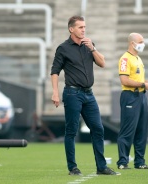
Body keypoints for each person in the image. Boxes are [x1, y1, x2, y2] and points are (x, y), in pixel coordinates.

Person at [51, 15, 120, 176]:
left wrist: (93, 48)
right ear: (71, 29)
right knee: (71, 131)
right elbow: (55, 71)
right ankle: (72, 167)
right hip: (72, 93)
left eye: (84, 27)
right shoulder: (63, 48)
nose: (84, 30)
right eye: (80, 27)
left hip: (89, 94)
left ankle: (101, 167)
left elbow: (102, 63)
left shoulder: (89, 45)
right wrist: (55, 93)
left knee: (98, 129)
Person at [116, 33, 148, 170]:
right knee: (128, 130)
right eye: (140, 41)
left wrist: (144, 84)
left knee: (142, 130)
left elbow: (137, 79)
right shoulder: (125, 59)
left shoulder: (138, 58)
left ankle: (140, 161)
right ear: (132, 43)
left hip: (141, 96)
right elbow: (124, 80)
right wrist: (143, 84)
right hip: (130, 96)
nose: (143, 44)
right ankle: (122, 161)